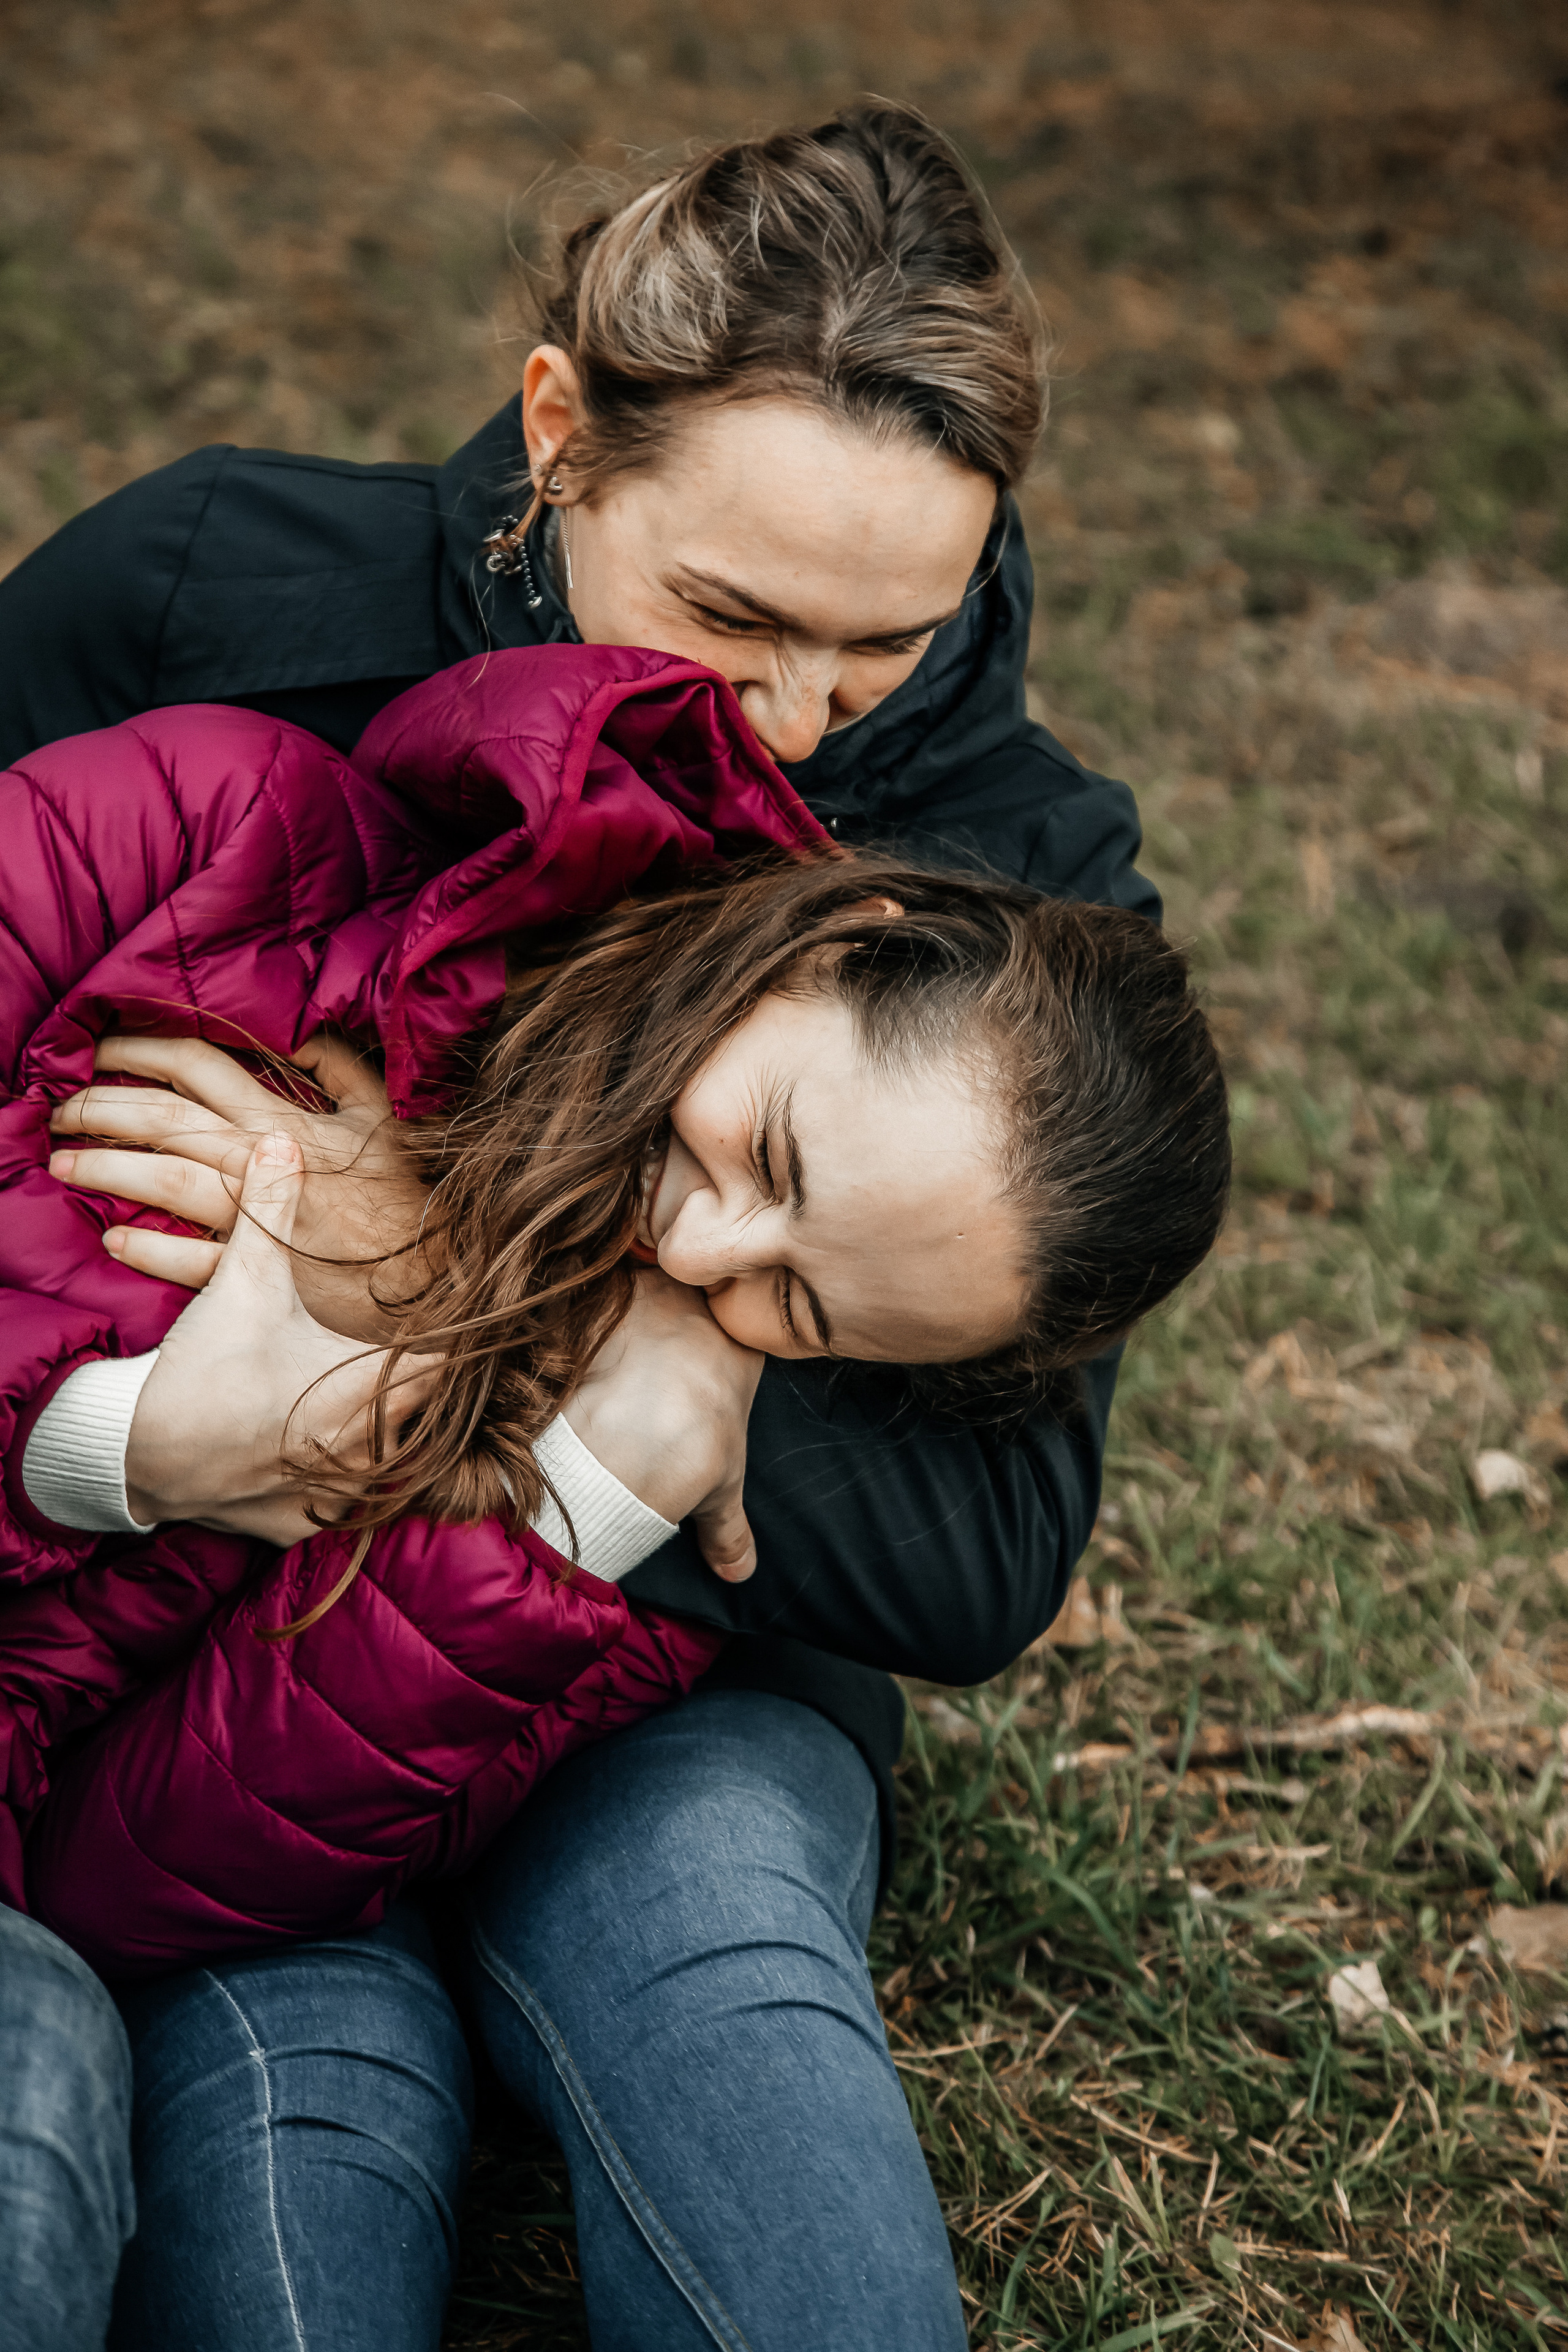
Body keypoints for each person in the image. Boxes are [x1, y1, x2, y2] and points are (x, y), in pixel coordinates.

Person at [0, 99, 1169, 2352]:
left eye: (894, 642)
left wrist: (476, 1279)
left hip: (672, 1670)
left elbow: (981, 1547)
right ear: (561, 431)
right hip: (149, 1577)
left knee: (713, 1938)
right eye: (734, 616)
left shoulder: (1021, 882)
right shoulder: (202, 595)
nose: (804, 723)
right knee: (295, 2061)